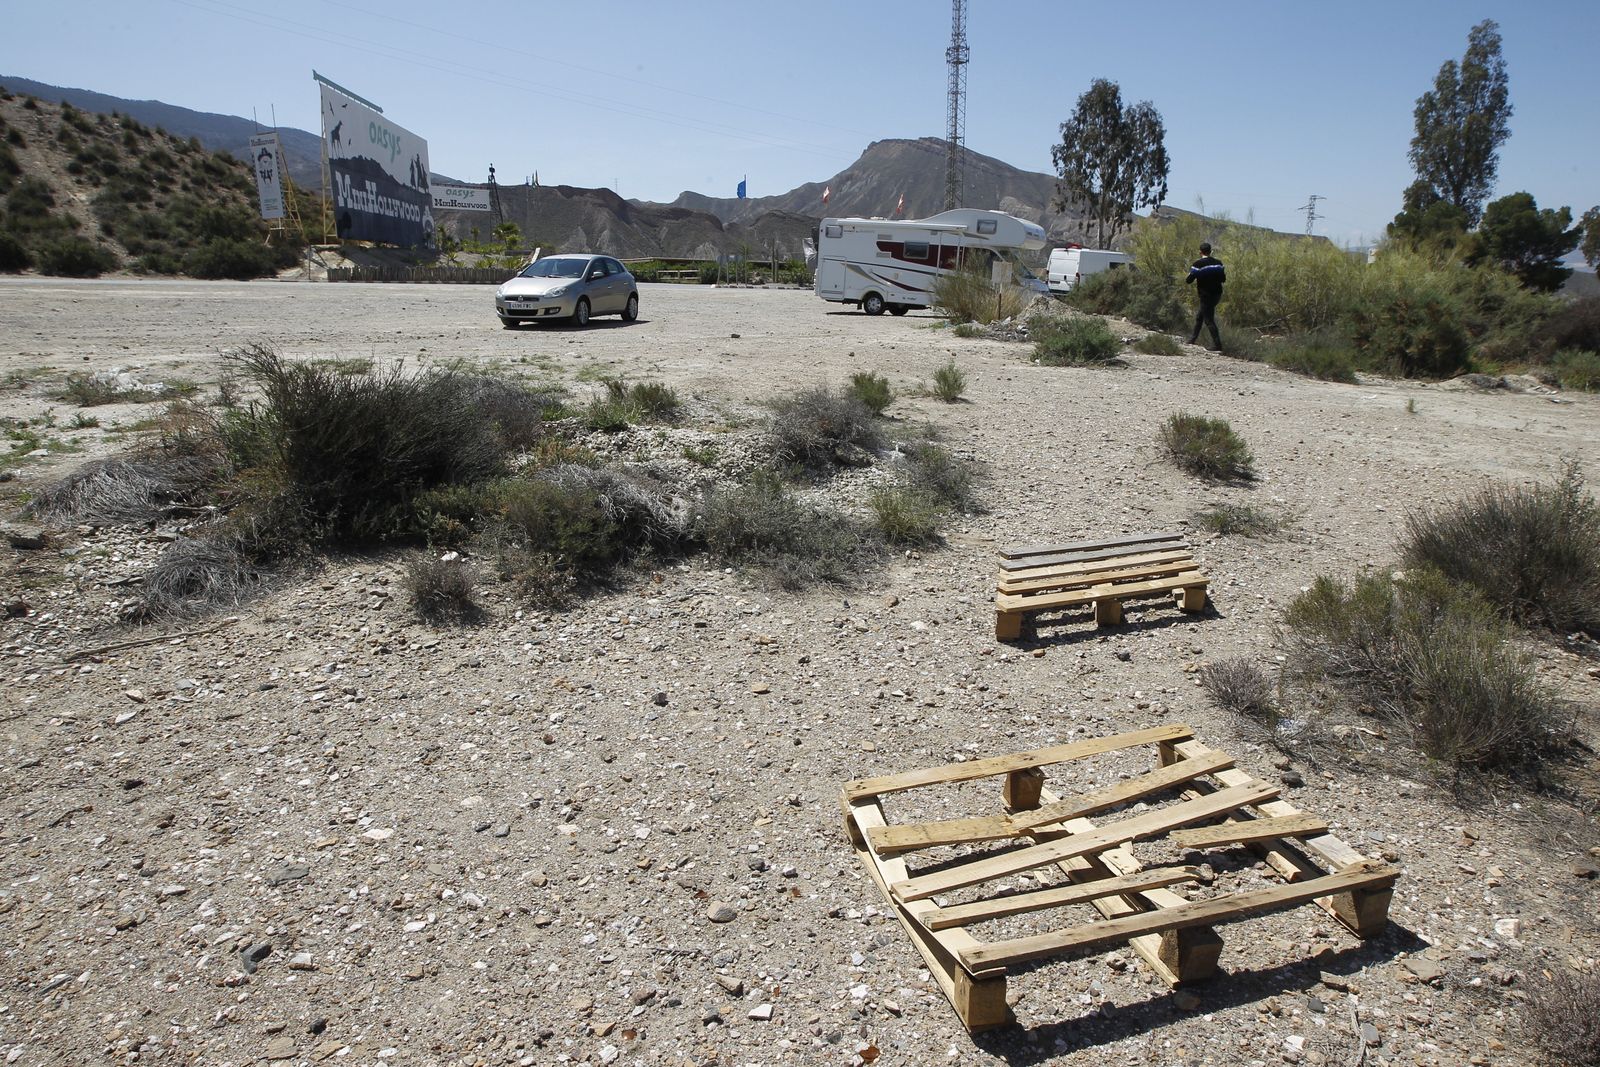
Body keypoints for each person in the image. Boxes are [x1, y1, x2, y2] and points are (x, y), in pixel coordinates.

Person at [1185, 242, 1225, 348]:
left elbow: (1189, 280)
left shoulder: (1198, 264)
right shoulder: (1218, 263)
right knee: (1200, 316)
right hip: (1217, 294)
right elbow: (1223, 279)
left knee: (1208, 320)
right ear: (1211, 251)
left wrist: (1192, 274)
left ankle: (1218, 345)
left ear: (1200, 252)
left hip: (1205, 295)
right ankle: (1192, 339)